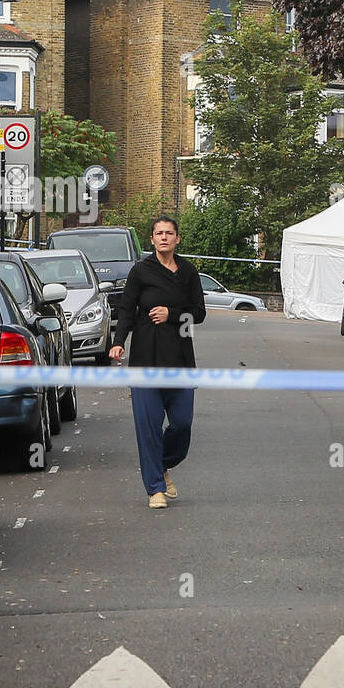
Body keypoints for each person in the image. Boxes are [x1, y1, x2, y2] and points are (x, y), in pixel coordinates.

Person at [108, 216, 206, 509]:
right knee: (149, 427)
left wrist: (171, 314)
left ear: (177, 239)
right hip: (145, 361)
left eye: (169, 233)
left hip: (179, 360)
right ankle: (155, 489)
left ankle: (163, 465)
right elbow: (126, 309)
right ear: (152, 240)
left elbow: (198, 313)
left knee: (182, 424)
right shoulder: (141, 271)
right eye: (159, 233)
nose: (164, 237)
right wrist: (117, 341)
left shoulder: (188, 272)